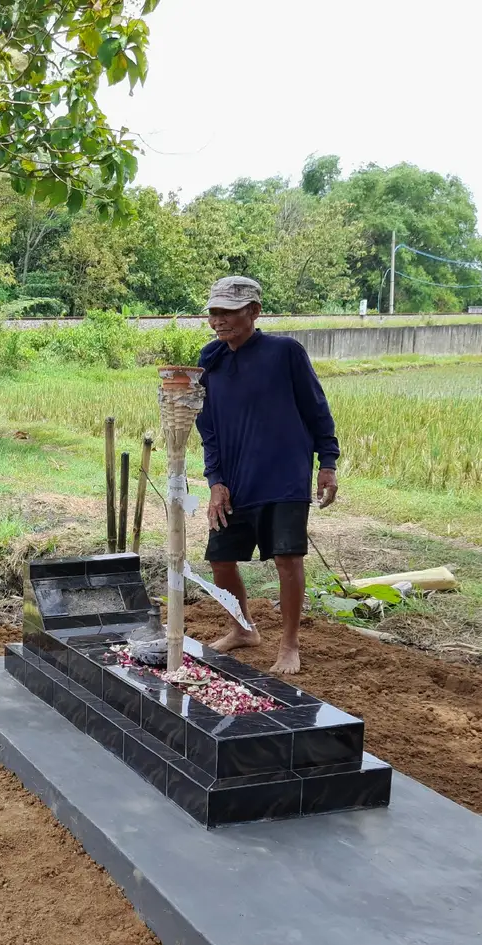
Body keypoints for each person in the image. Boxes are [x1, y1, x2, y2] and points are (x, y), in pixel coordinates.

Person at [195, 276, 339, 675]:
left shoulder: (285, 353)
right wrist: (215, 481)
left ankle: (289, 645)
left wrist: (327, 463)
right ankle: (243, 628)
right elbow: (207, 429)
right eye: (214, 312)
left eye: (228, 312)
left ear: (254, 312)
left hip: (284, 475)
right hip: (235, 480)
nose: (219, 321)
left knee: (287, 559)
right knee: (221, 560)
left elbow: (316, 409)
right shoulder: (210, 360)